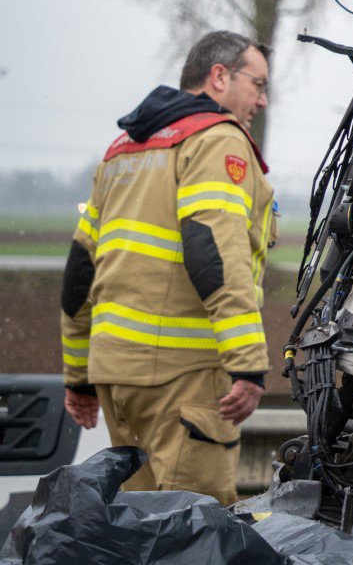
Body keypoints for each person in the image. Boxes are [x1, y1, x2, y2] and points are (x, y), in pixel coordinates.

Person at [59, 30, 277, 504]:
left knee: (133, 527)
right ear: (220, 77)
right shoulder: (217, 142)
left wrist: (79, 376)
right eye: (258, 85)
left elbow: (80, 273)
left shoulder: (123, 150)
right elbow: (214, 253)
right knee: (193, 530)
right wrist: (248, 365)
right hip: (185, 378)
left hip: (117, 376)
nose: (261, 100)